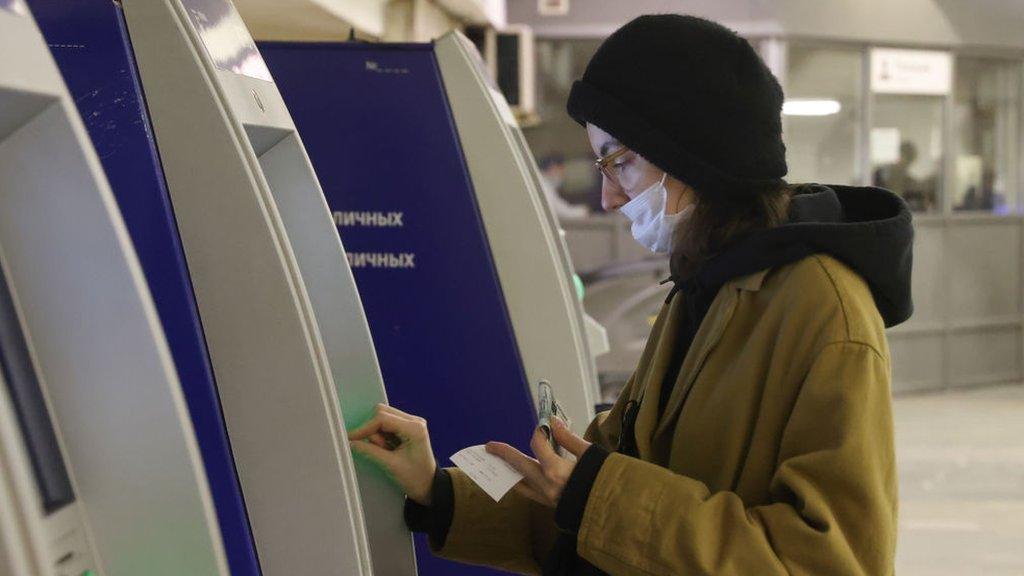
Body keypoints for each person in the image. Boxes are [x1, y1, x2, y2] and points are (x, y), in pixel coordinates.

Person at [348, 14, 913, 575]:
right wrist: (436, 492)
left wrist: (597, 492)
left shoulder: (824, 312)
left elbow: (836, 562)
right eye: (602, 164)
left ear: (694, 152)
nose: (608, 196)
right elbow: (590, 513)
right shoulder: (704, 287)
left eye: (622, 162)